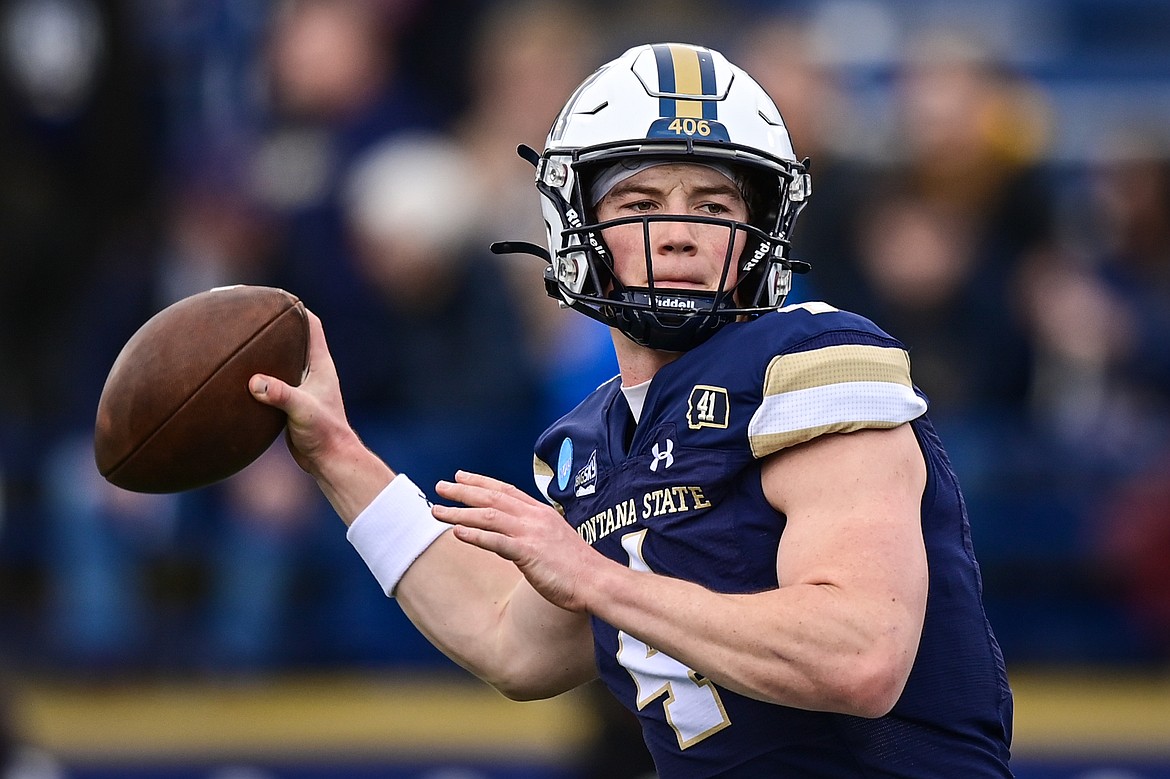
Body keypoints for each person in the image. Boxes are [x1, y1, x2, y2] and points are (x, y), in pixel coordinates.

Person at [248, 43, 1014, 776]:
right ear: (576, 226)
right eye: (641, 202)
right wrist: (336, 454)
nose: (679, 233)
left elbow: (859, 654)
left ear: (760, 235)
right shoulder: (592, 439)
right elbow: (509, 640)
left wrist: (596, 577)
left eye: (713, 206)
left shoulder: (811, 363)